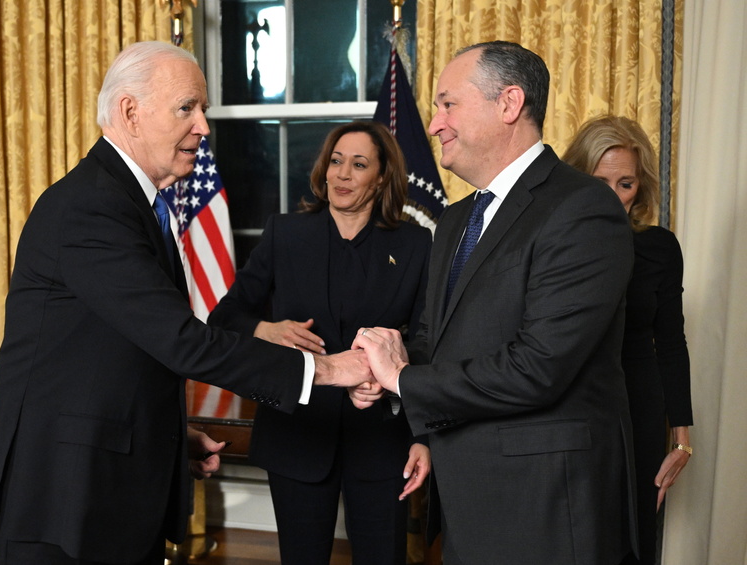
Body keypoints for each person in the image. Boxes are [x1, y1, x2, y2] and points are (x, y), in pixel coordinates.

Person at [0, 41, 371, 565]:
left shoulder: (133, 203)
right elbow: (182, 341)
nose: (204, 126)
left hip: (102, 493)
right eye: (188, 108)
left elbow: (113, 355)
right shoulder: (91, 206)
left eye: (202, 109)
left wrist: (169, 436)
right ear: (130, 112)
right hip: (59, 504)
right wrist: (328, 369)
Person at [350, 41, 639, 565]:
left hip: (545, 506)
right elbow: (442, 341)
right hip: (466, 500)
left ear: (508, 104)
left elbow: (539, 366)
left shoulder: (583, 208)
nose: (435, 124)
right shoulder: (457, 221)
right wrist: (380, 366)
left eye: (447, 104)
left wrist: (403, 379)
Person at [208, 121, 432, 565]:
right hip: (298, 434)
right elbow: (225, 318)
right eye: (336, 161)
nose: (343, 174)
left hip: (382, 440)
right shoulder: (285, 233)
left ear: (382, 177)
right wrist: (267, 330)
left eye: (359, 164)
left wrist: (392, 380)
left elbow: (427, 340)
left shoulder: (414, 244)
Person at [563, 115, 693, 565]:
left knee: (632, 545)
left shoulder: (659, 247)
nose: (614, 197)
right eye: (600, 182)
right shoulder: (552, 245)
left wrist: (681, 438)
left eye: (625, 184)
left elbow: (671, 342)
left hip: (639, 410)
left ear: (640, 188)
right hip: (570, 407)